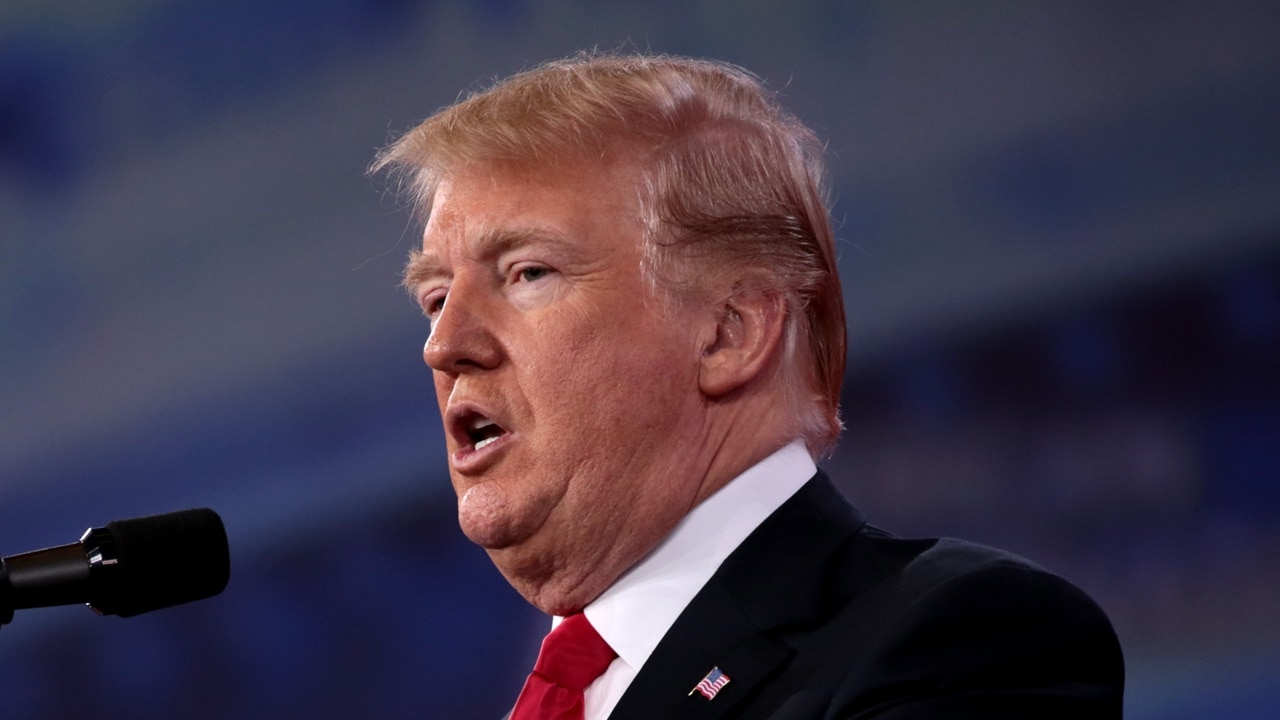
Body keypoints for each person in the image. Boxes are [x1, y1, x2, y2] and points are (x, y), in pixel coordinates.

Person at [373, 52, 1124, 719]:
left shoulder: (958, 641)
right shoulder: (572, 690)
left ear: (731, 332)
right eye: (436, 298)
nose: (445, 345)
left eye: (528, 273)